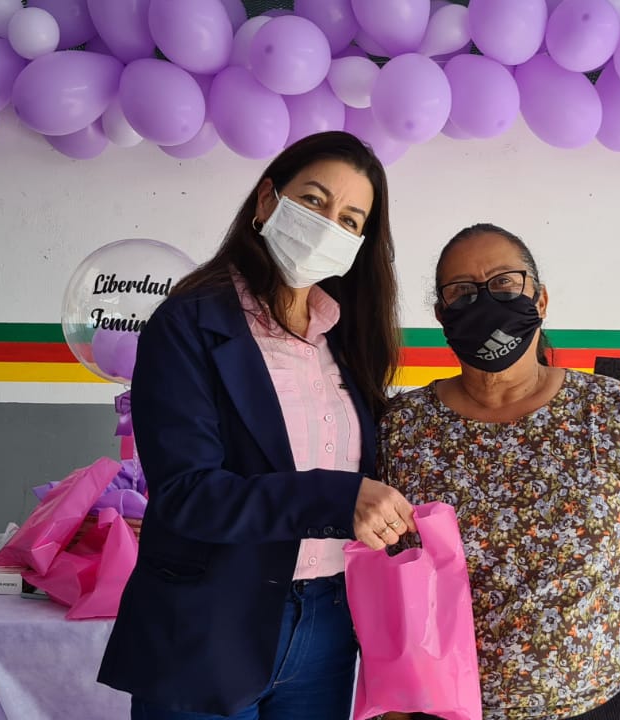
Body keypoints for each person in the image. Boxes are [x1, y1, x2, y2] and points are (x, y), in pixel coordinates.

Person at [99, 131, 417, 720]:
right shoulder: (188, 324)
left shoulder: (345, 339)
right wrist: (337, 498)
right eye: (314, 200)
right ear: (268, 200)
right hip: (209, 621)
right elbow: (188, 493)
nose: (328, 225)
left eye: (350, 219)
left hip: (327, 621)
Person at [379, 224, 620, 720]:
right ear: (441, 314)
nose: (486, 302)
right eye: (462, 292)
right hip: (443, 708)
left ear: (540, 299)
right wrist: (394, 705)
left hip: (600, 705)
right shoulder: (404, 428)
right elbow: (382, 578)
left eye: (505, 283)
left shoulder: (613, 413)